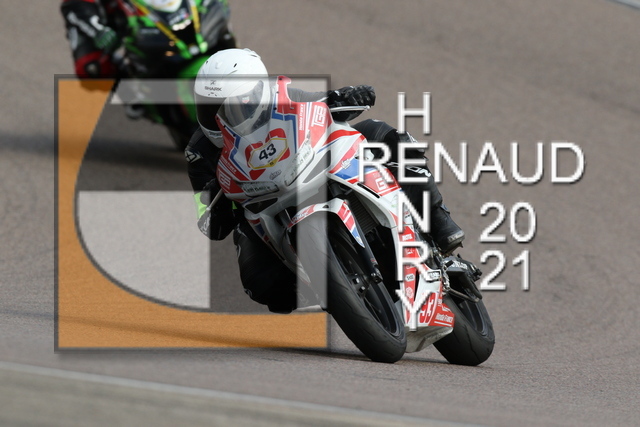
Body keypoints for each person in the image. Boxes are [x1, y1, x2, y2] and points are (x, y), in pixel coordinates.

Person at [185, 48, 465, 313]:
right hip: (262, 208)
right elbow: (209, 222)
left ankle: (438, 219)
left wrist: (345, 97)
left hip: (307, 168)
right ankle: (330, 290)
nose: (216, 117)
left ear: (255, 92)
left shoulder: (280, 96)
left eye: (228, 105)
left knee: (381, 133)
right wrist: (215, 203)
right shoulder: (198, 152)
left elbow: (321, 103)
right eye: (208, 108)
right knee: (260, 283)